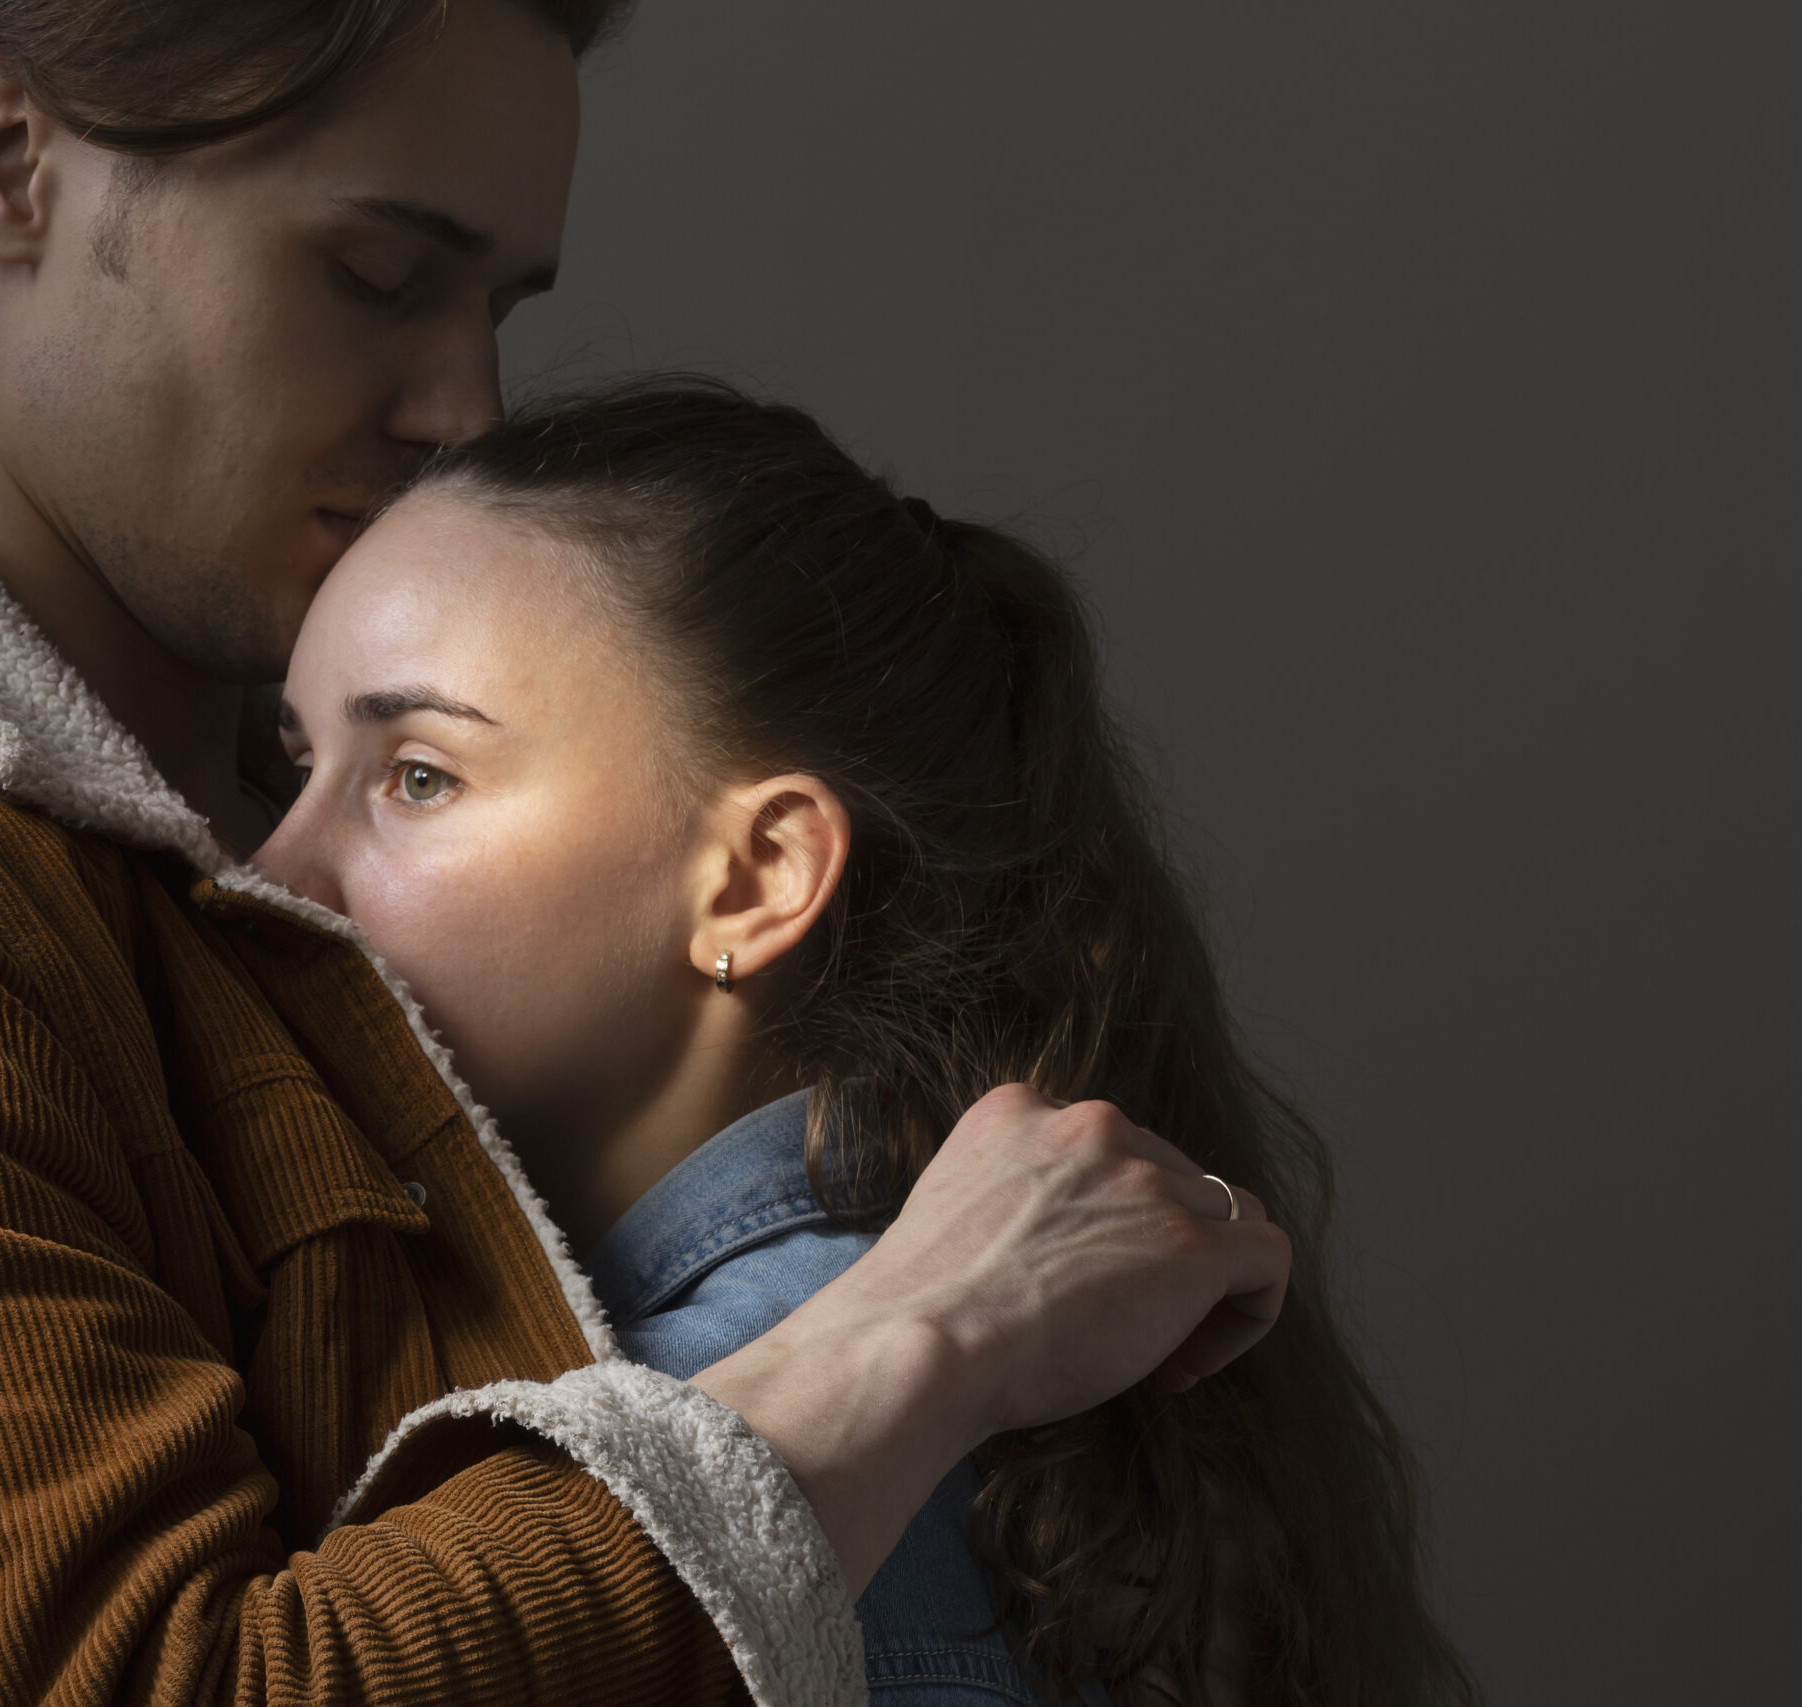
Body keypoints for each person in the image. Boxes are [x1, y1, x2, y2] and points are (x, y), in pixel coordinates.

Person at [0, 4, 1292, 1704]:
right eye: (376, 275)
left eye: (495, 303)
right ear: (4, 159)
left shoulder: (228, 847)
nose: (463, 405)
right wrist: (922, 1339)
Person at [248, 380, 1479, 1707]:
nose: (266, 870)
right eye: (292, 767)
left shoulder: (717, 1435)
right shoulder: (973, 1388)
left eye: (417, 776)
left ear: (757, 878)